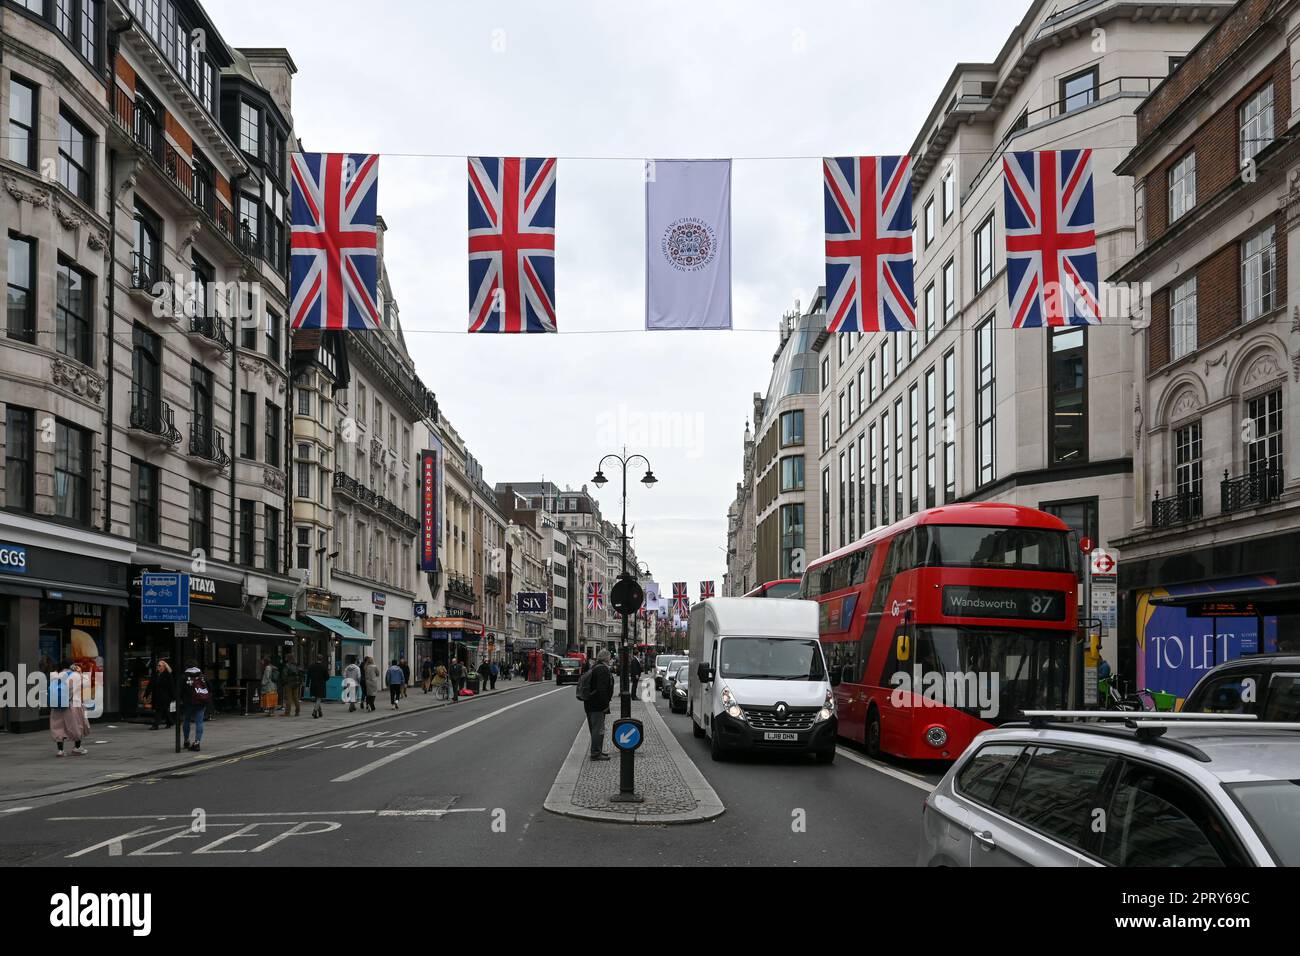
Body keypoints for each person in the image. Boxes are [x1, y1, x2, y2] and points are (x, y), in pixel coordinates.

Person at [49, 660, 90, 756]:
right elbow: (86, 684)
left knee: (58, 727)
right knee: (77, 725)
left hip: (57, 705)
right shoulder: (75, 675)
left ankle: (60, 750)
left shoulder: (54, 675)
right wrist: (80, 672)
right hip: (73, 704)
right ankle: (77, 747)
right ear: (72, 666)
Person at [583, 650, 615, 760]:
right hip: (597, 705)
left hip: (590, 703)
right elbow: (601, 689)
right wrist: (605, 704)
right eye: (610, 657)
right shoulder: (602, 669)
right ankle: (596, 753)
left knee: (595, 728)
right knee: (598, 729)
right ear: (606, 658)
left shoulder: (595, 667)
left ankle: (597, 750)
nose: (610, 659)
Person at [180, 659, 210, 752]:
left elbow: (179, 691)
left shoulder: (184, 677)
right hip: (201, 703)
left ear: (187, 667)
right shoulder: (203, 677)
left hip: (188, 703)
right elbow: (210, 689)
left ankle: (186, 741)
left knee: (186, 721)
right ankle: (197, 743)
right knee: (199, 722)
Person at [149, 659, 174, 730]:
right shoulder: (156, 675)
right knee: (165, 710)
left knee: (158, 710)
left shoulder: (168, 675)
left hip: (165, 696)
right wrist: (147, 693)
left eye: (159, 665)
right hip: (157, 695)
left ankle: (155, 725)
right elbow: (151, 685)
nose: (157, 667)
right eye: (157, 665)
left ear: (164, 667)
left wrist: (173, 697)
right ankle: (169, 722)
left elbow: (171, 686)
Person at [281, 653, 303, 717]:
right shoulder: (296, 665)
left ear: (288, 658)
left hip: (289, 683)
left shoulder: (287, 666)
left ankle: (287, 712)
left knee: (288, 698)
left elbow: (284, 675)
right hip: (296, 683)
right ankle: (297, 712)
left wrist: (284, 682)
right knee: (296, 698)